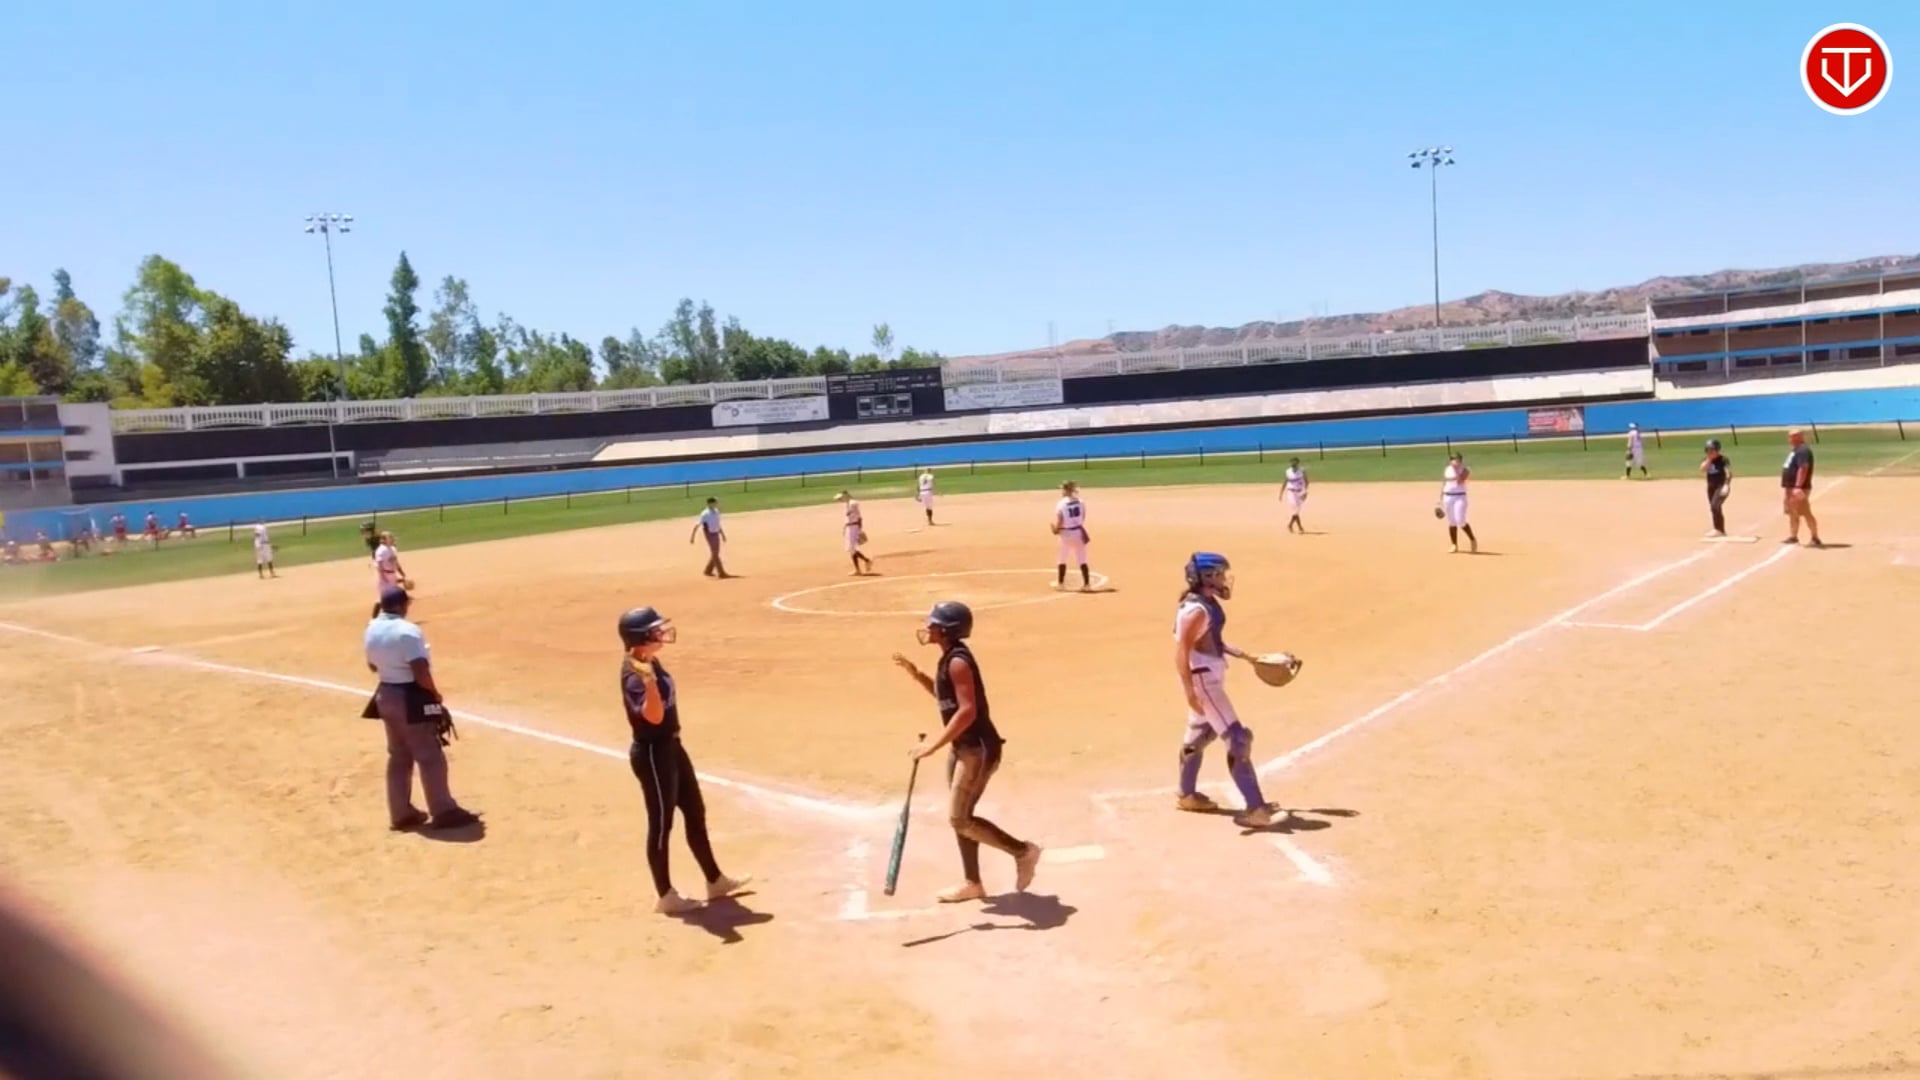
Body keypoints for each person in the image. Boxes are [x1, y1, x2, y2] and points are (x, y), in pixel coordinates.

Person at [891, 601, 1042, 902]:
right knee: (962, 816)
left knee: (959, 819)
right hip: (963, 748)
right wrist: (916, 674)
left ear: (947, 630)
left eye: (934, 623)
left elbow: (967, 711)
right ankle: (973, 883)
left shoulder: (958, 662)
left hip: (977, 750)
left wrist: (932, 746)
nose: (928, 627)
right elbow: (946, 697)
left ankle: (1023, 852)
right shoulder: (948, 659)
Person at [618, 606, 751, 915]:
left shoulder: (647, 661)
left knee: (695, 811)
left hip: (672, 747)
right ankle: (665, 895)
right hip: (653, 755)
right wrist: (649, 682)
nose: (660, 633)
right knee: (661, 824)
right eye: (654, 630)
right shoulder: (634, 674)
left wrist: (651, 674)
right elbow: (653, 717)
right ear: (639, 637)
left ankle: (715, 880)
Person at [1171, 553, 1281, 828]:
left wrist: (1245, 655)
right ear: (1205, 577)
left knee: (1198, 737)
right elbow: (1182, 651)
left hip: (1210, 676)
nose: (1224, 579)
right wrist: (1190, 692)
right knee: (1237, 739)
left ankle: (1186, 795)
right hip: (1204, 682)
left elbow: (1212, 640)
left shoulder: (1206, 604)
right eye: (1219, 574)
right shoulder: (1196, 610)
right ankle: (1256, 808)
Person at [362, 586, 478, 832]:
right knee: (429, 755)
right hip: (409, 697)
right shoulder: (408, 631)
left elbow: (372, 666)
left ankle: (400, 813)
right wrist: (434, 694)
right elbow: (420, 671)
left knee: (399, 756)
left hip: (385, 694)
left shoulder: (371, 629)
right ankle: (443, 811)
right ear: (402, 605)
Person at [1781, 429, 1824, 547]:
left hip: (1798, 488)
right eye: (1790, 436)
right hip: (1790, 487)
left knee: (1805, 512)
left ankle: (1815, 537)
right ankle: (1793, 536)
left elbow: (1803, 468)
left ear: (1800, 437)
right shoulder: (1795, 450)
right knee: (1792, 512)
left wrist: (1798, 486)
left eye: (1794, 436)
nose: (1791, 439)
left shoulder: (1803, 450)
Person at [1051, 481, 1092, 591]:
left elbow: (1060, 520)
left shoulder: (1061, 504)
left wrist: (1056, 530)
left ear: (1065, 490)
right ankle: (1087, 584)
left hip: (1066, 534)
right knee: (1082, 559)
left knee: (1062, 558)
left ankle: (1061, 584)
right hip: (1079, 532)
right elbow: (1083, 517)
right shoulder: (1080, 501)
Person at [1439, 452, 1478, 554]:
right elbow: (1444, 483)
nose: (1454, 461)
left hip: (1460, 497)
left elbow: (1460, 481)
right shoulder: (1447, 469)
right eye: (1452, 459)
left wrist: (1456, 470)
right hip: (1448, 497)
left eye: (1457, 459)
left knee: (1460, 520)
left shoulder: (1465, 470)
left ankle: (1472, 539)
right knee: (1452, 522)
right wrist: (1440, 498)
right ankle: (1454, 545)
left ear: (1461, 460)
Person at [834, 491, 874, 576]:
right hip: (849, 527)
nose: (839, 500)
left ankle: (867, 561)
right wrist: (845, 528)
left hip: (853, 527)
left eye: (840, 498)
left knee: (852, 548)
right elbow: (848, 518)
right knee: (851, 549)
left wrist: (859, 530)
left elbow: (859, 517)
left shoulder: (853, 503)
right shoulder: (847, 504)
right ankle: (859, 569)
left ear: (845, 496)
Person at [688, 497, 729, 578]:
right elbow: (697, 525)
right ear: (710, 503)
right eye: (715, 503)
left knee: (715, 553)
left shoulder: (716, 511)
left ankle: (708, 570)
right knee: (715, 553)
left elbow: (717, 524)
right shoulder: (705, 514)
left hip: (716, 533)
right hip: (709, 534)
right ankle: (721, 572)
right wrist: (692, 537)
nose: (716, 504)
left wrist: (722, 534)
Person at [370, 531, 407, 617]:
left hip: (392, 574)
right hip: (384, 575)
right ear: (383, 540)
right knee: (382, 598)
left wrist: (402, 573)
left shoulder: (393, 549)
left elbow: (396, 562)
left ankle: (396, 615)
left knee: (395, 596)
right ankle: (373, 619)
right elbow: (379, 565)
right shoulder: (380, 551)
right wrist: (384, 578)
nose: (392, 538)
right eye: (390, 537)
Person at [1701, 439, 1733, 538]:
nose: (1710, 452)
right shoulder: (1707, 460)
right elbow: (1702, 469)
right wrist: (1709, 459)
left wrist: (1726, 485)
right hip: (1711, 487)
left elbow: (1728, 473)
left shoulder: (1723, 460)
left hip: (1721, 486)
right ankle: (1720, 530)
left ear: (1717, 450)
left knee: (1715, 506)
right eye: (1708, 450)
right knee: (1714, 507)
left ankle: (1718, 530)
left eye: (1712, 450)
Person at [1282, 458, 1309, 534]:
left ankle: (1290, 525)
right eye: (1292, 462)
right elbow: (1285, 482)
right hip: (1291, 492)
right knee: (1295, 510)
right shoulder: (1288, 471)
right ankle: (1300, 527)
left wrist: (1305, 491)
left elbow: (1306, 481)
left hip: (1300, 492)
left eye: (1295, 462)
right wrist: (1281, 493)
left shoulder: (1302, 471)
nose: (1293, 464)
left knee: (1297, 511)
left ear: (1297, 463)